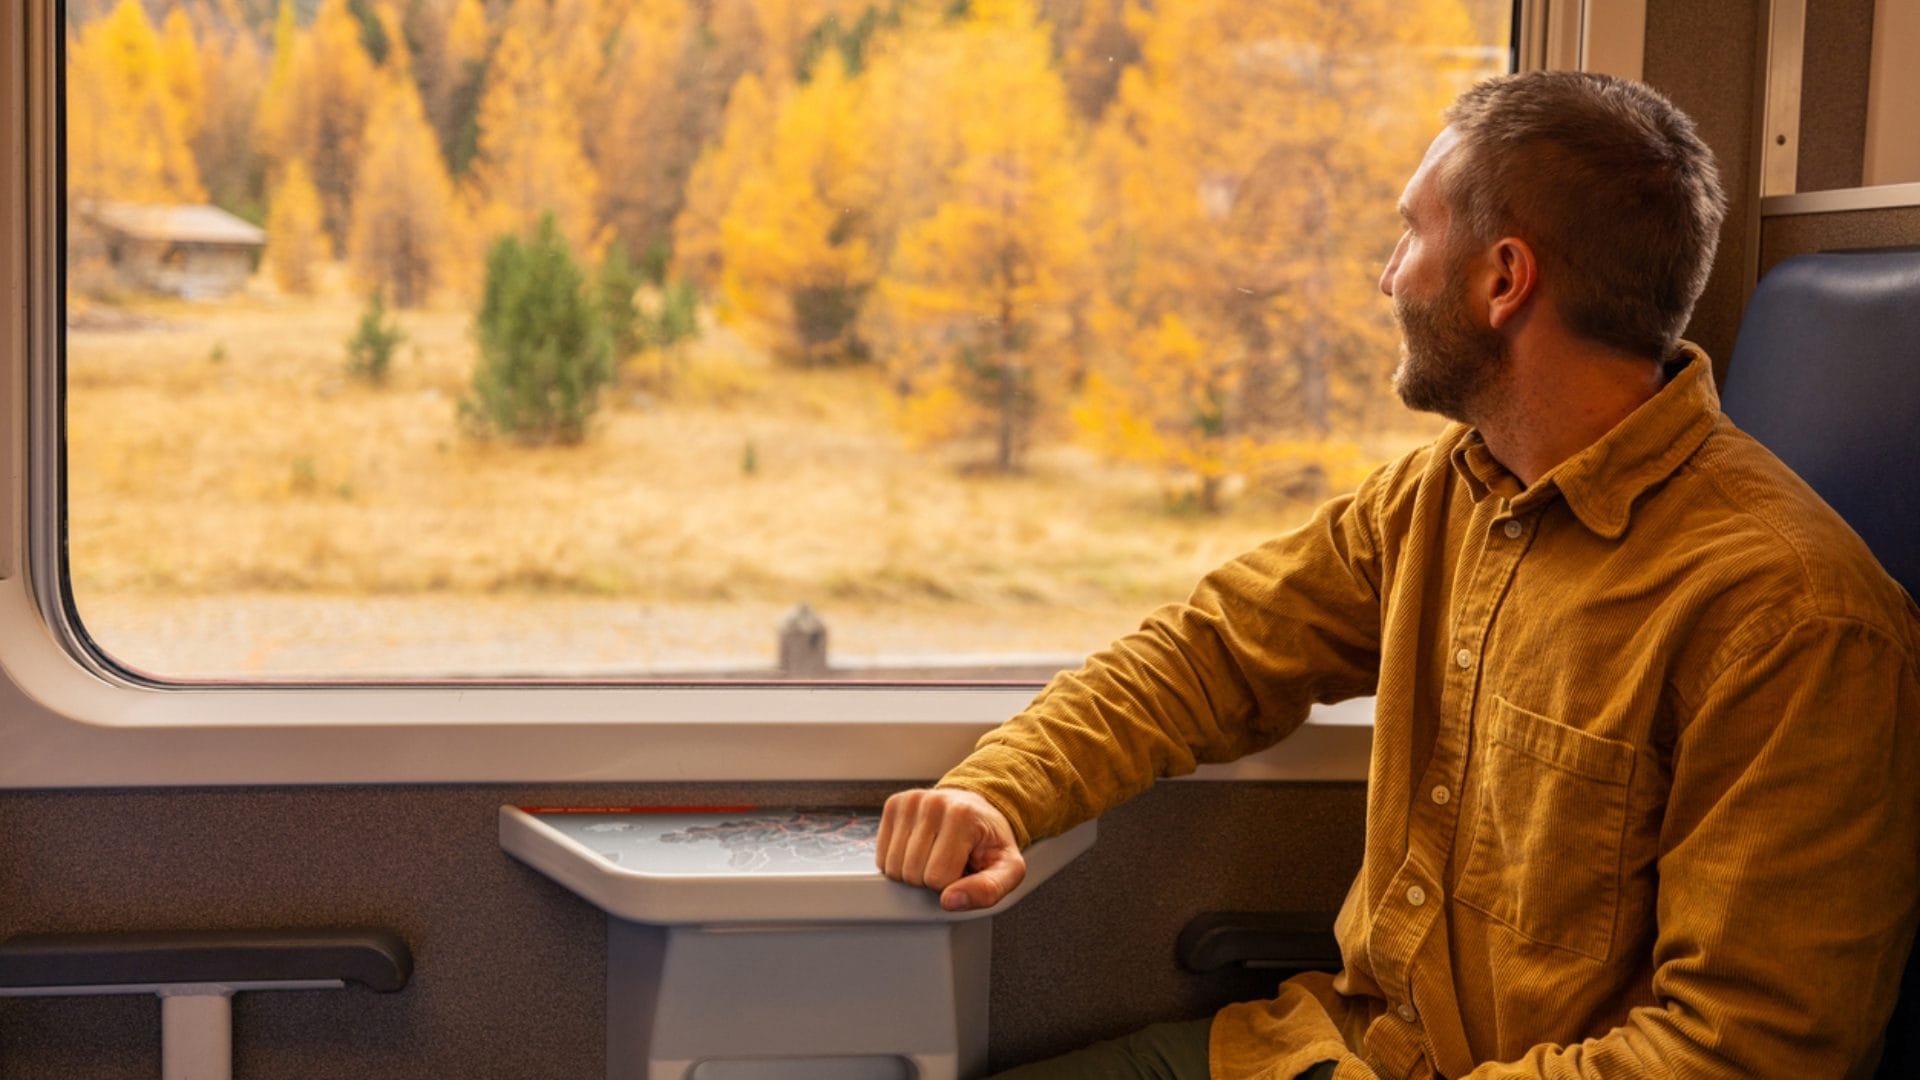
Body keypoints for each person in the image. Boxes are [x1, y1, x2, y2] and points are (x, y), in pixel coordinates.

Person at [875, 70, 1920, 1079]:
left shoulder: (1792, 621)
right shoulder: (1446, 492)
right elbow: (1211, 652)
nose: (1386, 277)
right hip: (1327, 1048)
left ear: (1503, 280)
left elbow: (1748, 1052)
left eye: (1411, 233)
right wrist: (999, 791)